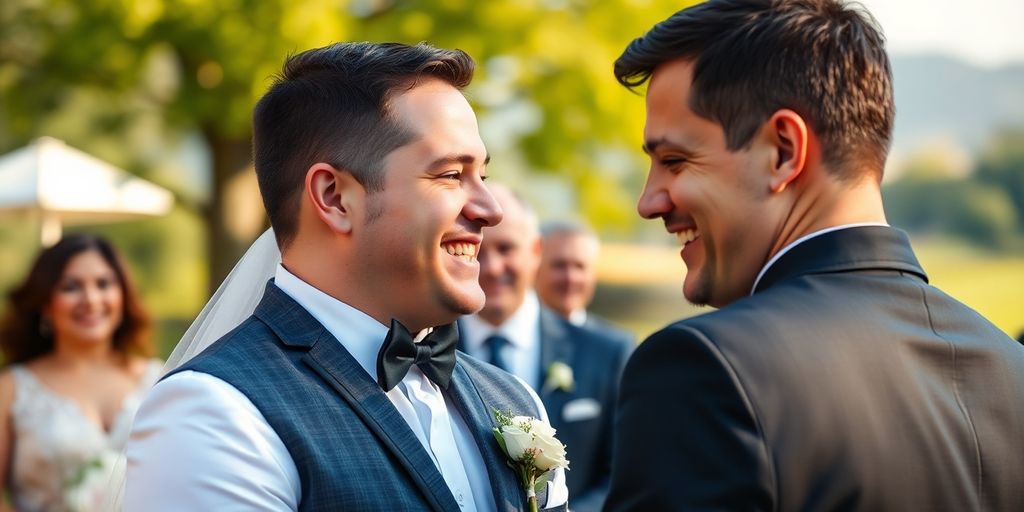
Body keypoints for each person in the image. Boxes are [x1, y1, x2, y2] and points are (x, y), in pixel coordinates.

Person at [605, 1, 1024, 511]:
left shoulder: (707, 372)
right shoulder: (1011, 367)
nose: (649, 202)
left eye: (674, 161)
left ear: (783, 150)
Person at [124, 42, 568, 511]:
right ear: (335, 197)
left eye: (482, 175)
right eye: (451, 174)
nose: (490, 209)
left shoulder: (515, 400)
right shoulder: (213, 415)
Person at [459, 184, 632, 512]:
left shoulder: (607, 352)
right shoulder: (423, 350)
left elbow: (624, 474)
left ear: (536, 251)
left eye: (507, 248)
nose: (493, 268)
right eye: (478, 251)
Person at [0, 234, 162, 512]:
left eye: (103, 284)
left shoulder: (160, 379)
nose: (90, 299)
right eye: (71, 286)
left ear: (122, 295)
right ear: (45, 303)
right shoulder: (12, 388)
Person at [536, 221, 633, 345]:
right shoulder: (512, 335)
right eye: (559, 265)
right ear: (536, 267)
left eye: (580, 267)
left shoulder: (613, 345)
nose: (571, 278)